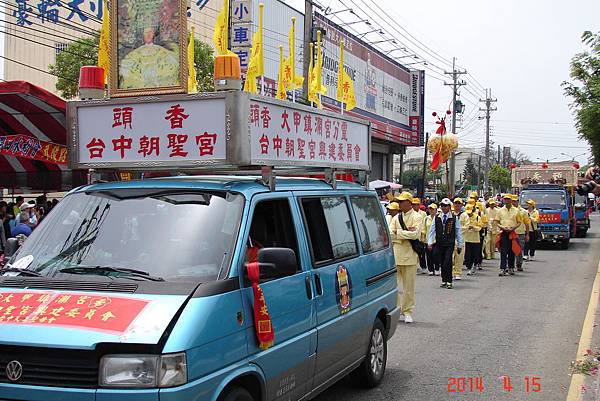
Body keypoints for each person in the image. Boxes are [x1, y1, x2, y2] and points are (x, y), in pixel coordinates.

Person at [389, 192, 423, 323]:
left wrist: (399, 234)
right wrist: (404, 234)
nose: (400, 204)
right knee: (395, 286)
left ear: (409, 202)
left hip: (410, 256)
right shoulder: (396, 218)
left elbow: (415, 235)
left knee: (409, 287)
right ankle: (398, 309)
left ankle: (407, 311)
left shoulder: (417, 217)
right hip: (397, 255)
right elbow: (390, 233)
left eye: (402, 201)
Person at [427, 198, 463, 289]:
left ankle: (449, 280)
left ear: (449, 207)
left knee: (448, 261)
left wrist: (459, 244)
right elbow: (432, 231)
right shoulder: (437, 217)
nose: (443, 207)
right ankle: (444, 280)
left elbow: (458, 231)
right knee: (442, 261)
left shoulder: (454, 218)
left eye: (445, 206)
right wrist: (430, 242)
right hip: (440, 243)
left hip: (449, 243)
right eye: (442, 205)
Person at [495, 194, 523, 276]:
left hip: (512, 232)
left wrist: (513, 228)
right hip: (503, 232)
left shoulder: (516, 210)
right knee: (503, 251)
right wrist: (502, 227)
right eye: (505, 199)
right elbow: (496, 221)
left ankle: (511, 267)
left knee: (512, 250)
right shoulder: (500, 210)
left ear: (511, 200)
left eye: (508, 199)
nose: (506, 201)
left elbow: (519, 222)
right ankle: (503, 268)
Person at [512, 194, 530, 272]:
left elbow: (527, 223)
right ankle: (510, 265)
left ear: (518, 202)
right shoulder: (508, 210)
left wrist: (527, 234)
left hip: (520, 233)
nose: (513, 203)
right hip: (510, 233)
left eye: (515, 201)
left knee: (519, 250)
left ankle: (519, 265)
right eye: (512, 201)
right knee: (511, 250)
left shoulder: (523, 212)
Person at [452, 198, 468, 281]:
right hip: (450, 239)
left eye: (459, 203)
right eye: (455, 203)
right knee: (450, 257)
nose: (457, 205)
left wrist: (457, 229)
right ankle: (450, 272)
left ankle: (457, 273)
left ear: (461, 205)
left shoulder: (464, 215)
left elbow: (466, 227)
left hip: (461, 239)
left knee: (459, 257)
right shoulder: (450, 214)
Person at [463, 204, 482, 276]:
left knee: (475, 254)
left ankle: (475, 265)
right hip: (467, 238)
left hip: (475, 239)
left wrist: (474, 227)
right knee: (468, 255)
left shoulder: (477, 217)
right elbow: (461, 226)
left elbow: (480, 227)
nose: (469, 213)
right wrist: (466, 228)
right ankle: (469, 267)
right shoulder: (464, 217)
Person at [412, 198, 428, 274]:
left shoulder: (423, 214)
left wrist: (423, 233)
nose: (415, 206)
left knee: (422, 252)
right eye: (414, 204)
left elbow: (425, 224)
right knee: (414, 251)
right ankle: (416, 266)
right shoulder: (411, 214)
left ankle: (423, 266)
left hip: (421, 235)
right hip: (413, 235)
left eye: (417, 204)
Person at [424, 203, 440, 276]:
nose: (431, 210)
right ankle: (430, 269)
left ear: (436, 210)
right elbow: (424, 228)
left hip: (436, 240)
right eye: (430, 209)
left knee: (436, 254)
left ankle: (436, 268)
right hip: (428, 239)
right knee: (429, 255)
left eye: (432, 209)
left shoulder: (439, 218)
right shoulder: (427, 218)